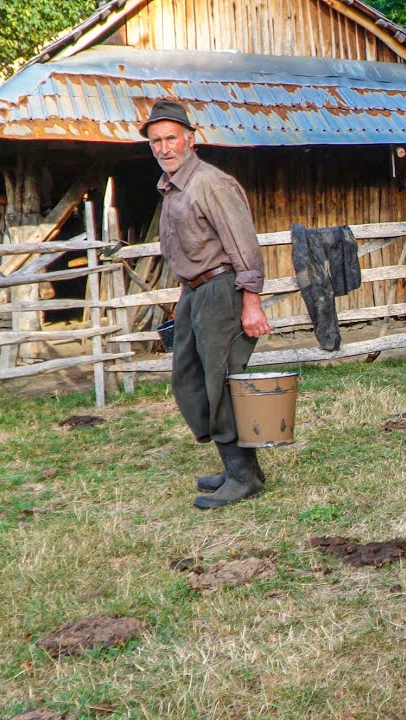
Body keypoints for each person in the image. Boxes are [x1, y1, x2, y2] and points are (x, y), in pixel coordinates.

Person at [140, 99, 272, 510]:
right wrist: (185, 299)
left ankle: (243, 475)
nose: (164, 148)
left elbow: (243, 246)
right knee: (190, 378)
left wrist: (251, 303)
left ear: (191, 139)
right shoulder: (172, 187)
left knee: (221, 382)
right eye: (156, 141)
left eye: (171, 138)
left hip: (222, 289)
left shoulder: (210, 184)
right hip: (194, 292)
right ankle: (234, 464)